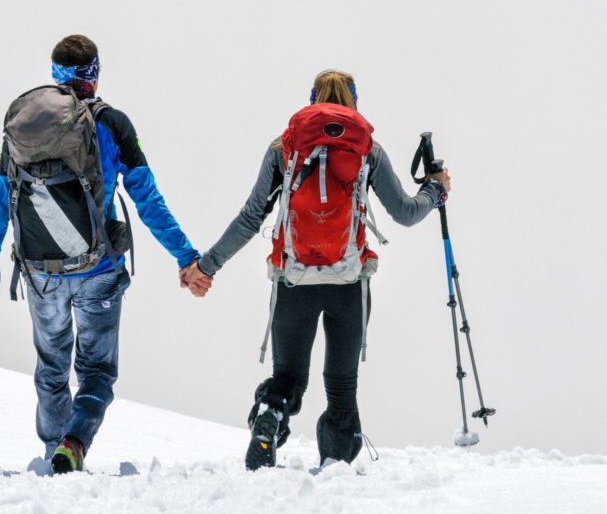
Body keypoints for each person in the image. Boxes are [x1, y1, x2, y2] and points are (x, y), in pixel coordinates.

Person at [180, 70, 450, 470]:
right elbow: (406, 214)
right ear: (354, 102)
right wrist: (435, 190)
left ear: (311, 100)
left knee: (288, 375)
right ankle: (335, 467)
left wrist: (206, 266)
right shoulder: (366, 149)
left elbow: (251, 217)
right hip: (348, 282)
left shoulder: (283, 147)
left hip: (294, 279)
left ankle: (271, 415)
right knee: (341, 387)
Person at [0, 34, 204, 473]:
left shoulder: (23, 127)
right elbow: (147, 200)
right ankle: (74, 443)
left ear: (55, 74)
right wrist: (185, 256)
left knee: (52, 365)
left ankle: (51, 451)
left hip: (40, 272)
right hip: (98, 267)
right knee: (96, 370)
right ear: (94, 76)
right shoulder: (113, 124)